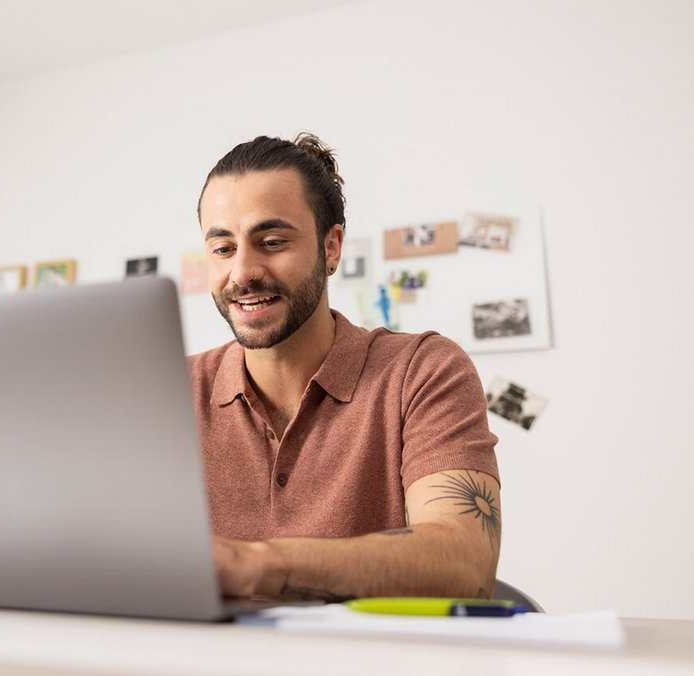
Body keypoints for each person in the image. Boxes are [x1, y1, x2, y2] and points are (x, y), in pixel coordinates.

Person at [193, 133, 501, 601]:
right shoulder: (170, 390)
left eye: (272, 241)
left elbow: (464, 560)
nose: (242, 273)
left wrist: (257, 565)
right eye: (223, 249)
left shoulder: (424, 371)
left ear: (331, 247)